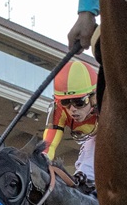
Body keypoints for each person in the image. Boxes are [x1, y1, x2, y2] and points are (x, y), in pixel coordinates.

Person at [42, 58, 99, 190]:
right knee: (82, 173)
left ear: (93, 97)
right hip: (94, 139)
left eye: (79, 102)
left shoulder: (107, 104)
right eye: (66, 102)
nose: (72, 109)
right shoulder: (59, 110)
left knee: (88, 164)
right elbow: (48, 146)